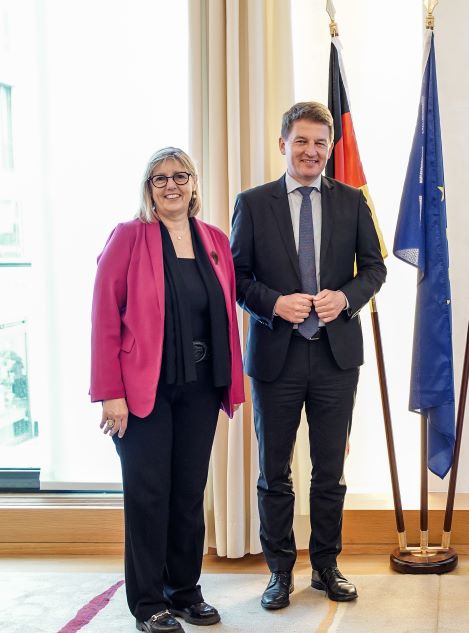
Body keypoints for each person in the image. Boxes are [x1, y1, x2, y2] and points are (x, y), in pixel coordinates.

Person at [230, 101, 386, 609]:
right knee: (274, 472)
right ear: (283, 144)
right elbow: (237, 277)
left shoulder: (352, 201)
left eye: (320, 142)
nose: (310, 151)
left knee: (329, 471)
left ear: (330, 148)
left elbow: (375, 269)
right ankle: (279, 572)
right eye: (301, 141)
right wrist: (274, 303)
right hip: (275, 357)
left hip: (336, 357)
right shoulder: (253, 204)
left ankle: (326, 566)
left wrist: (346, 298)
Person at [90, 147, 245, 633]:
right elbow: (104, 319)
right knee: (148, 495)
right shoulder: (128, 237)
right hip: (143, 390)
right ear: (148, 189)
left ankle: (184, 591)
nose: (171, 185)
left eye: (180, 176)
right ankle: (148, 602)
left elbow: (224, 315)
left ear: (194, 184)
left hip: (200, 387)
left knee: (188, 494)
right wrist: (110, 393)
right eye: (160, 178)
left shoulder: (215, 240)